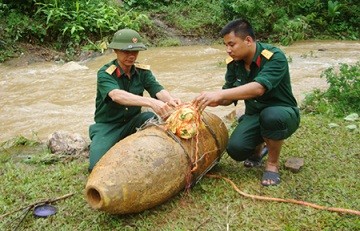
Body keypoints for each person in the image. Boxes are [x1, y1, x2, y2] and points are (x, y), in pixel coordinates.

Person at [193, 19, 300, 186]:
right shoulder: (234, 64)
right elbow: (229, 96)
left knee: (271, 116)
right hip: (255, 114)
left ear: (248, 40)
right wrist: (215, 100)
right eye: (226, 45)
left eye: (232, 44)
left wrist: (219, 94)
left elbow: (258, 88)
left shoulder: (274, 57)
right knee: (236, 149)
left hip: (282, 113)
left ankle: (272, 165)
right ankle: (258, 150)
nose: (228, 50)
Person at [88, 28, 181, 171]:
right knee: (96, 167)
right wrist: (151, 102)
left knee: (150, 118)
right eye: (126, 51)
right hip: (108, 126)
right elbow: (116, 95)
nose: (131, 56)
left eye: (135, 52)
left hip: (133, 121)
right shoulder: (105, 73)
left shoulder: (142, 71)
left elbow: (156, 89)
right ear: (116, 51)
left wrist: (170, 100)